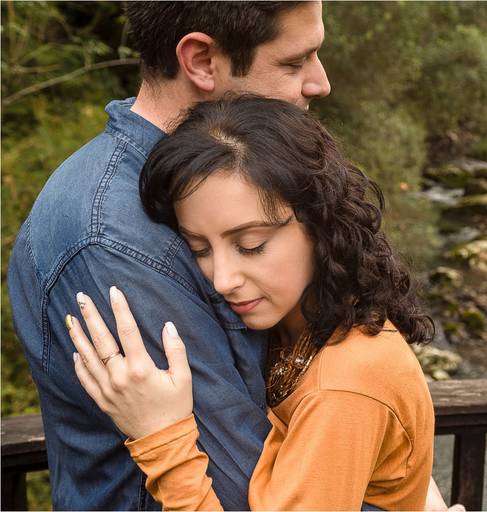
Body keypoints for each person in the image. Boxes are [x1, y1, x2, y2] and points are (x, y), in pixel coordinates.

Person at [8, 2, 330, 509]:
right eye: (294, 63)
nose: (320, 83)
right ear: (201, 60)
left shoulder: (231, 181)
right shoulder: (115, 244)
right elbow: (243, 489)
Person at [67, 94, 436, 510]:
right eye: (199, 249)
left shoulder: (344, 385)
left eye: (251, 245)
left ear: (320, 223)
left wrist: (161, 438)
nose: (222, 280)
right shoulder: (308, 319)